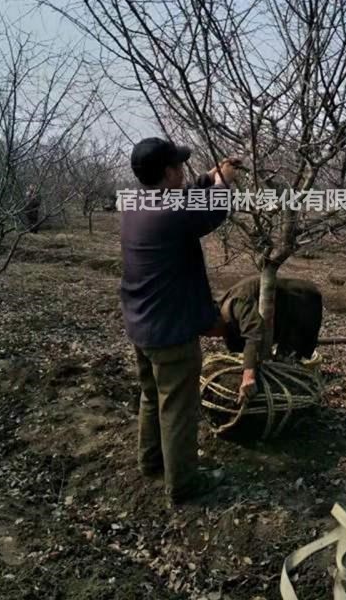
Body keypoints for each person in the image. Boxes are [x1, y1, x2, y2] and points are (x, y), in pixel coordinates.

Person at [120, 137, 239, 504]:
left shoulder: (136, 203)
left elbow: (186, 194)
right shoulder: (173, 214)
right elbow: (215, 211)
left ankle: (151, 462)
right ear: (169, 172)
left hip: (142, 325)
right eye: (180, 167)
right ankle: (184, 484)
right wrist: (224, 182)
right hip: (171, 333)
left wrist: (211, 174)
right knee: (178, 410)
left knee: (152, 397)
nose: (184, 172)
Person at [208, 275, 323, 400]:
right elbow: (236, 347)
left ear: (215, 320)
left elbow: (253, 334)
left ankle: (296, 399)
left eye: (211, 333)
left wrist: (248, 375)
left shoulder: (238, 303)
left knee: (287, 363)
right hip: (278, 312)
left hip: (300, 301)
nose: (214, 337)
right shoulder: (224, 313)